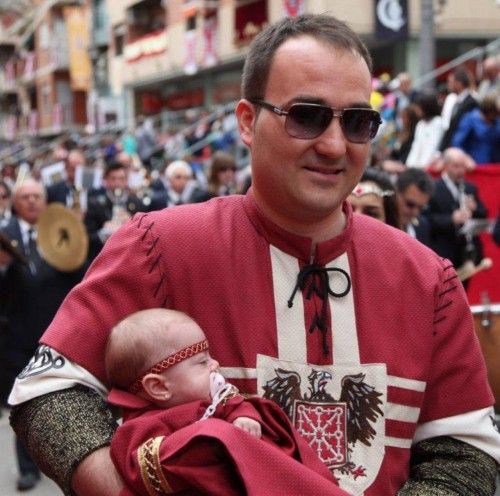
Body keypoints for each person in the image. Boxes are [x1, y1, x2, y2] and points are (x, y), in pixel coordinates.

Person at [8, 14, 500, 496]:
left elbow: (466, 451)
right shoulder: (158, 248)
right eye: (306, 116)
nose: (333, 145)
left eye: (357, 122)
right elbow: (47, 389)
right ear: (247, 122)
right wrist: (122, 486)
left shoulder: (427, 279)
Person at [106, 308, 343, 496]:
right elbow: (146, 470)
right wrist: (213, 436)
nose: (215, 365)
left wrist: (244, 416)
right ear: (158, 387)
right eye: (201, 362)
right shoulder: (139, 428)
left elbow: (236, 403)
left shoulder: (217, 399)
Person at [1, 179, 86, 491]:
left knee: (66, 402)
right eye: (25, 197)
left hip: (59, 334)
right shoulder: (5, 237)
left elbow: (82, 275)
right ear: (15, 203)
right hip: (18, 338)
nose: (32, 201)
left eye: (37, 196)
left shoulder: (63, 230)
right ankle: (27, 469)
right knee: (22, 406)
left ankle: (70, 467)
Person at [425, 147, 488, 272]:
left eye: (463, 166)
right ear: (446, 166)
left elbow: (483, 214)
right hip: (442, 250)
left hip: (466, 252)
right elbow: (425, 220)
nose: (461, 171)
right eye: (456, 166)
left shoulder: (469, 187)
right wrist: (451, 219)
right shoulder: (434, 187)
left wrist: (475, 208)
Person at [84, 161, 148, 260]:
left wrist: (132, 223)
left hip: (130, 258)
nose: (117, 183)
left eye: (121, 179)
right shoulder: (94, 204)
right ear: (106, 180)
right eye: (113, 179)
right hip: (104, 258)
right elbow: (87, 237)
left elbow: (146, 235)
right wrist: (104, 233)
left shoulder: (137, 203)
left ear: (126, 180)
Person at [452, 95, 500, 164]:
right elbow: (457, 142)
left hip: (493, 166)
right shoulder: (470, 119)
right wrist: (465, 158)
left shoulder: (497, 121)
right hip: (474, 165)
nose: (497, 116)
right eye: (495, 113)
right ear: (489, 111)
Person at [439, 66, 478, 152]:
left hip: (461, 150)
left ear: (459, 83)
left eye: (450, 82)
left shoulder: (471, 102)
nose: (448, 85)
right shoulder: (454, 100)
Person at [395, 168, 435, 245]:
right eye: (410, 204)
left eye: (421, 208)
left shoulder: (422, 227)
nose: (415, 212)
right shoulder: (379, 220)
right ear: (396, 193)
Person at [405, 92, 444, 169]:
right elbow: (416, 147)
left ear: (426, 107)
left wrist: (421, 167)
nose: (416, 110)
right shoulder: (420, 124)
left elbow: (432, 147)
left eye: (418, 107)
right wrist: (409, 165)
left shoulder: (438, 123)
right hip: (415, 167)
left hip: (428, 166)